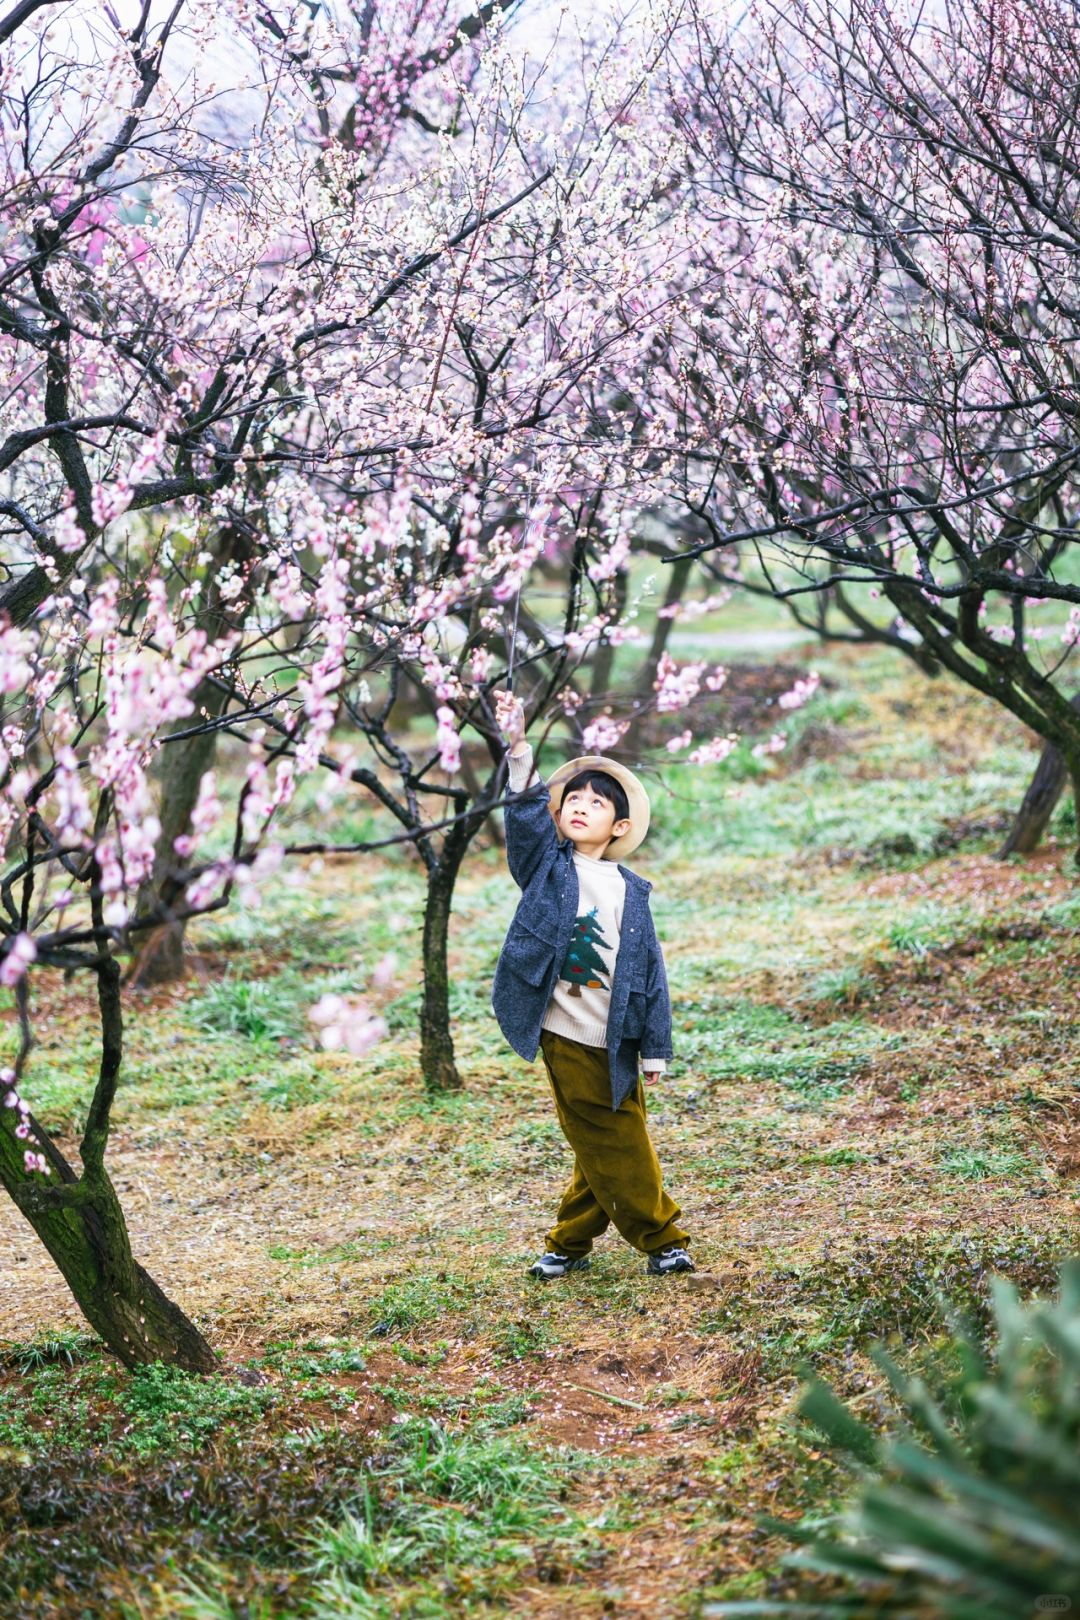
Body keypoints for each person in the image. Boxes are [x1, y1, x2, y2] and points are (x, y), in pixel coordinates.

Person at [491, 689, 694, 1280]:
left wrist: (654, 1044)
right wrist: (519, 746)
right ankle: (662, 1237)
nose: (579, 806)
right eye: (571, 799)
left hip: (621, 1032)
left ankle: (568, 1243)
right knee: (616, 1133)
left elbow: (649, 972)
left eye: (595, 803)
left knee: (598, 1137)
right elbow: (525, 819)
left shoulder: (632, 890)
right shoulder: (546, 869)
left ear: (620, 824)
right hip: (565, 1027)